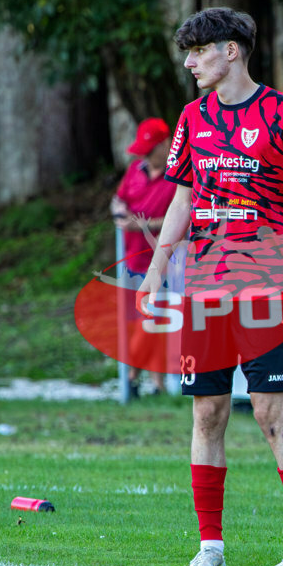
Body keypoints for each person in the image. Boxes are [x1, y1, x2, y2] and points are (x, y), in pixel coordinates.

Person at [136, 7, 283, 566]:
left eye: (199, 51)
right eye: (188, 53)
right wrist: (156, 268)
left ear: (232, 51)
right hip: (203, 287)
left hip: (265, 285)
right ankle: (211, 546)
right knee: (207, 416)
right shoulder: (192, 119)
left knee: (273, 415)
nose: (191, 62)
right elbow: (180, 199)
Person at [111, 117, 176, 397]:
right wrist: (119, 212)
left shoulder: (178, 175)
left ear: (165, 144)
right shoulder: (135, 171)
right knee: (146, 321)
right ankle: (155, 384)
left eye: (150, 151)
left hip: (163, 262)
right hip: (132, 259)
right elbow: (118, 198)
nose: (145, 157)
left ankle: (132, 375)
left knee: (150, 320)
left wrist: (144, 224)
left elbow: (183, 217)